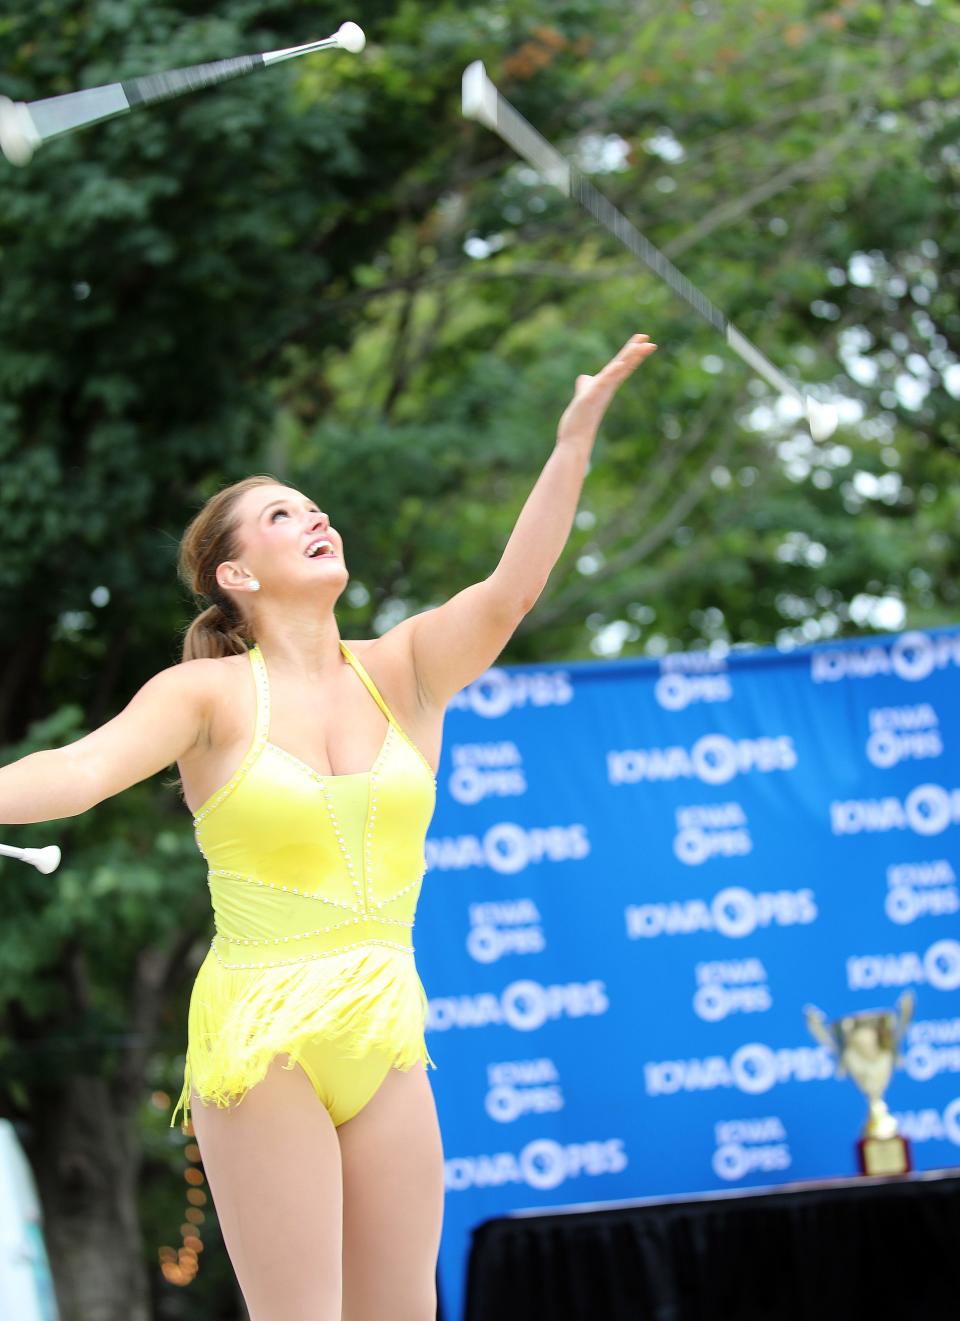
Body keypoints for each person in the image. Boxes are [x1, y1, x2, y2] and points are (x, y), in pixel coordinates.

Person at [0, 332, 656, 1321]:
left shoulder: (405, 669)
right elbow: (79, 770)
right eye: (280, 514)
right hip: (262, 1034)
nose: (315, 517)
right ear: (236, 576)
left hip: (386, 1028)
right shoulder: (207, 694)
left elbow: (512, 588)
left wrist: (571, 443)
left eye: (314, 507)